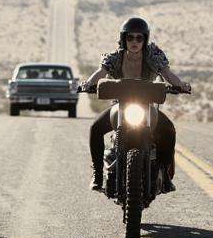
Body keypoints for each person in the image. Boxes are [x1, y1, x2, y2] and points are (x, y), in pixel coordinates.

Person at [81, 17, 191, 194]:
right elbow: (101, 72)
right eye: (130, 37)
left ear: (145, 39)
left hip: (146, 106)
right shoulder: (116, 57)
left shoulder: (153, 56)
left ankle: (164, 174)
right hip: (120, 105)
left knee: (169, 130)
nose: (134, 41)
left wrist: (181, 85)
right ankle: (97, 174)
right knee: (95, 128)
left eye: (139, 38)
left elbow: (167, 74)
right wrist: (88, 83)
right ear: (124, 39)